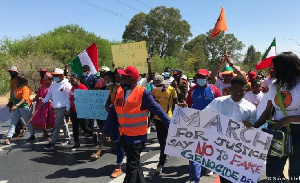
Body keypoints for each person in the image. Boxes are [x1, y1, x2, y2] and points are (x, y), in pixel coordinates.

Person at [107, 66, 171, 183]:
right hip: (124, 135)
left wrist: (171, 126)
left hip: (137, 139)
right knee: (135, 164)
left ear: (131, 79)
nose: (120, 78)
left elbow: (158, 110)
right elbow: (113, 111)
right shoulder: (119, 91)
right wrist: (106, 130)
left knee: (131, 169)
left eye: (124, 77)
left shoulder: (143, 93)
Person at [254, 52, 300, 182]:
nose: (273, 70)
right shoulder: (274, 85)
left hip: (298, 133)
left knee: (296, 172)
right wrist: (254, 126)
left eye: (276, 66)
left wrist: (288, 119)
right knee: (273, 171)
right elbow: (268, 110)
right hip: (278, 132)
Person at [203, 75, 257, 183]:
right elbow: (203, 116)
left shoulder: (251, 107)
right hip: (221, 149)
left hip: (240, 151)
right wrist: (185, 110)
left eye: (241, 90)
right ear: (230, 89)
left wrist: (250, 126)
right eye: (235, 89)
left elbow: (254, 128)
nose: (238, 93)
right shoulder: (218, 102)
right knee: (225, 178)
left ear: (245, 90)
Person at [182, 69, 221, 182]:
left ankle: (209, 166)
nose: (200, 79)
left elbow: (221, 107)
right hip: (196, 123)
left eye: (203, 77)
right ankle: (194, 179)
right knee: (194, 151)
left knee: (209, 148)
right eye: (198, 76)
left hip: (211, 124)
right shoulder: (193, 90)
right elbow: (188, 105)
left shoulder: (214, 90)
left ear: (207, 78)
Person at [91, 68, 125, 178]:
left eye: (120, 76)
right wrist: (107, 105)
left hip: (123, 118)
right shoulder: (112, 87)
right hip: (113, 115)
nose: (118, 78)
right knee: (108, 133)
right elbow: (110, 98)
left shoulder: (126, 88)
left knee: (120, 141)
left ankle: (118, 166)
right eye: (116, 76)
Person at [152, 74, 178, 175]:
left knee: (165, 141)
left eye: (159, 84)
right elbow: (152, 102)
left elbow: (175, 103)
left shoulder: (171, 90)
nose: (157, 86)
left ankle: (160, 164)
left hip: (168, 118)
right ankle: (165, 154)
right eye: (155, 84)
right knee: (161, 141)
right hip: (157, 119)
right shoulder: (154, 90)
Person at [41, 68, 72, 150]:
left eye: (57, 75)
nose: (55, 77)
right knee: (63, 123)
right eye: (54, 75)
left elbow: (69, 97)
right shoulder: (53, 84)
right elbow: (49, 94)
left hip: (63, 107)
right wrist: (44, 101)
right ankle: (68, 138)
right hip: (56, 107)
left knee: (57, 125)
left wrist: (68, 108)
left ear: (61, 76)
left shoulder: (66, 84)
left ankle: (52, 143)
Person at [68, 73, 98, 150]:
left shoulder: (83, 87)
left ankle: (93, 134)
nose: (70, 81)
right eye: (70, 80)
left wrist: (78, 100)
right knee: (75, 127)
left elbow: (87, 99)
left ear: (77, 80)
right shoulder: (72, 88)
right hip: (74, 110)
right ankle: (77, 143)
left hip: (82, 110)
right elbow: (70, 98)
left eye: (72, 80)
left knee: (84, 127)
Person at [5, 75, 35, 145]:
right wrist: (12, 106)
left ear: (20, 80)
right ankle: (8, 137)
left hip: (24, 107)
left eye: (16, 79)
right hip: (17, 108)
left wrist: (16, 106)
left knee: (28, 122)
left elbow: (24, 99)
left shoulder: (25, 88)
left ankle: (32, 135)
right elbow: (14, 98)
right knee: (13, 122)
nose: (14, 80)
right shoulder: (16, 88)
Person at [31, 72, 55, 141]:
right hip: (41, 105)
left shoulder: (54, 86)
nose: (51, 80)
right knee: (41, 120)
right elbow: (38, 94)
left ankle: (54, 135)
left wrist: (50, 100)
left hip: (50, 105)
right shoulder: (42, 86)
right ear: (45, 79)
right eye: (49, 79)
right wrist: (33, 100)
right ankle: (45, 134)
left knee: (52, 120)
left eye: (51, 78)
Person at [7, 66, 26, 137]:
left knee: (16, 115)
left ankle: (22, 128)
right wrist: (10, 100)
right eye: (10, 72)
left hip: (18, 100)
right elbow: (12, 91)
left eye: (12, 72)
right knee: (14, 116)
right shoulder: (11, 80)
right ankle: (19, 129)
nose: (11, 73)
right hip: (13, 99)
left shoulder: (18, 80)